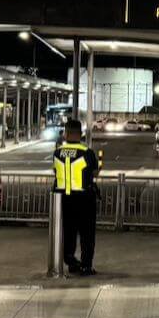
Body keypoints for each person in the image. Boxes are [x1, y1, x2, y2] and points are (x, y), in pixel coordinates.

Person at [53, 118, 100, 275]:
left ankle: (71, 261)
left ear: (65, 134)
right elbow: (95, 172)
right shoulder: (87, 152)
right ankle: (86, 266)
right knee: (87, 235)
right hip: (84, 198)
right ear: (81, 134)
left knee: (68, 232)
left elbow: (56, 172)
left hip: (63, 200)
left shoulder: (57, 152)